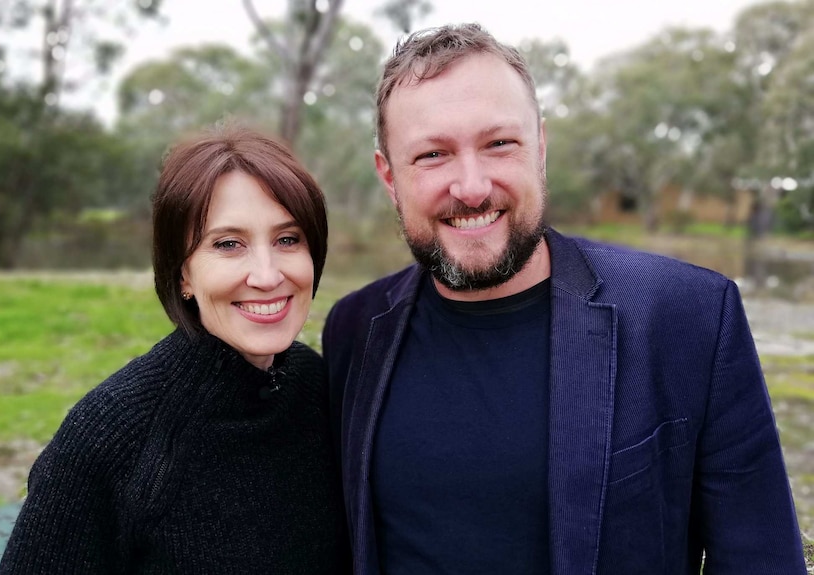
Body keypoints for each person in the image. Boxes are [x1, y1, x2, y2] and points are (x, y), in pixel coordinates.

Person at [323, 23, 806, 574]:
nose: (472, 186)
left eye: (499, 143)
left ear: (541, 148)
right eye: (433, 154)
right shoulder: (353, 329)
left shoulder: (687, 315)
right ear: (389, 176)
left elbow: (761, 560)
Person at [0, 124, 349, 573]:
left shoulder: (320, 387)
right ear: (182, 273)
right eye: (228, 244)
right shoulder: (113, 434)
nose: (267, 274)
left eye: (287, 239)